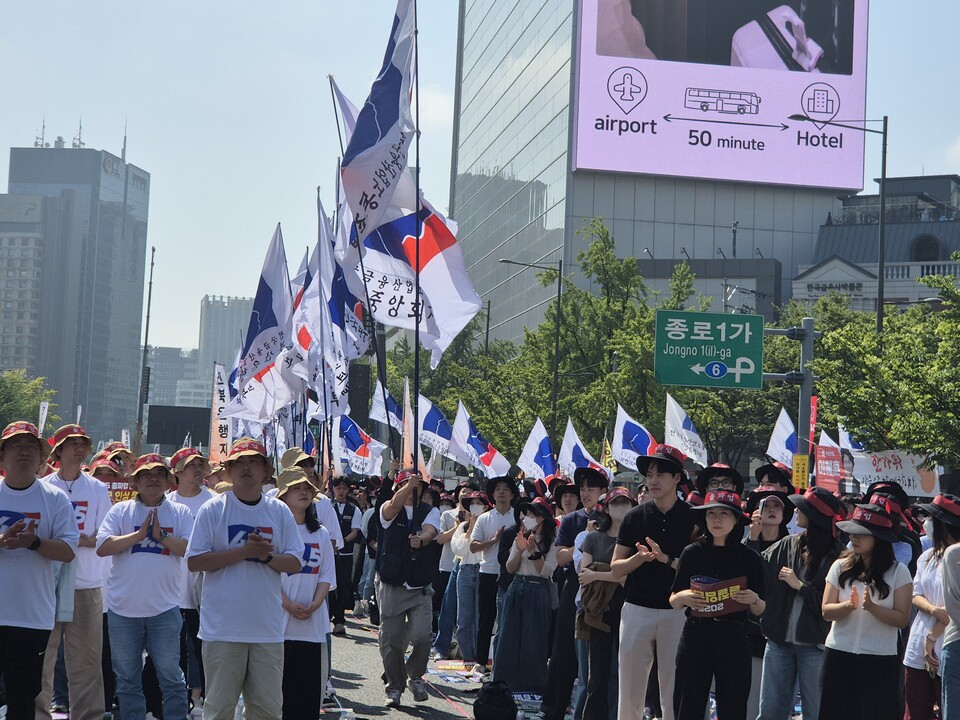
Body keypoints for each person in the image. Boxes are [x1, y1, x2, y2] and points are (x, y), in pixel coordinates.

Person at [186, 438, 304, 720]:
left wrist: (265, 558)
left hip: (267, 631)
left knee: (267, 711)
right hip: (222, 631)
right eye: (239, 462)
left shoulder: (278, 511)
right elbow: (194, 561)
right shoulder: (213, 509)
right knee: (219, 710)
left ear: (266, 471)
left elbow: (296, 562)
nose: (246, 467)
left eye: (253, 461)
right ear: (228, 471)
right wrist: (243, 552)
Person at [96, 453, 194, 720]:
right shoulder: (120, 511)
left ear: (168, 481)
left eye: (159, 474)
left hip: (164, 610)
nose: (153, 479)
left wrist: (160, 537)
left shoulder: (180, 512)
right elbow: (103, 547)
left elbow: (189, 549)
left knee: (171, 676)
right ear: (135, 481)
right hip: (123, 611)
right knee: (127, 679)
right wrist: (139, 536)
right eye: (146, 474)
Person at [0, 421, 78, 720]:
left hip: (31, 617)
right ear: (3, 455)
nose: (23, 452)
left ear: (41, 456)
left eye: (30, 446)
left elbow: (69, 551)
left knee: (23, 700)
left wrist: (34, 543)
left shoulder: (55, 498)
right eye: (15, 446)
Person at [611, 445, 695, 720]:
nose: (654, 480)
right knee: (631, 689)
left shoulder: (694, 517)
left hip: (679, 611)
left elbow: (699, 568)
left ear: (677, 478)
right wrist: (639, 558)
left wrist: (666, 559)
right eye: (649, 474)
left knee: (675, 689)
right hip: (636, 609)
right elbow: (615, 569)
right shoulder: (634, 516)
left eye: (661, 473)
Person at [669, 490, 766, 720]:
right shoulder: (691, 553)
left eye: (724, 514)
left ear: (736, 520)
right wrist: (683, 596)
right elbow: (673, 601)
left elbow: (761, 608)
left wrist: (753, 598)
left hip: (734, 636)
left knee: (733, 705)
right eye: (711, 513)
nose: (716, 519)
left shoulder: (749, 557)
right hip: (696, 634)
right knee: (687, 703)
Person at [37, 424, 111, 720]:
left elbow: (106, 536)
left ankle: (88, 715)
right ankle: (39, 712)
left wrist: (83, 540)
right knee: (44, 655)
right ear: (59, 451)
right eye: (72, 444)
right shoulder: (44, 486)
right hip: (48, 583)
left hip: (86, 583)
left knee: (87, 660)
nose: (79, 448)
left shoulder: (97, 488)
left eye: (84, 443)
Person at [757, 487, 847, 720]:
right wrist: (753, 536)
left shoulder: (839, 556)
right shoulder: (788, 543)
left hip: (815, 645)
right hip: (778, 643)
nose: (795, 510)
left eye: (802, 508)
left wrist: (801, 586)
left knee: (816, 711)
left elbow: (832, 606)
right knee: (770, 712)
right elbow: (756, 566)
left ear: (814, 517)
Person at [819, 502, 912, 720]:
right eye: (852, 532)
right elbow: (826, 610)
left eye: (862, 534)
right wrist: (848, 606)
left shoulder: (898, 571)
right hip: (838, 654)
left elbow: (901, 618)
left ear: (879, 538)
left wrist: (871, 607)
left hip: (879, 660)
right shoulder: (840, 566)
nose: (854, 538)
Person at [541, 466, 608, 720]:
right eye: (583, 488)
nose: (586, 493)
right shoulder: (572, 520)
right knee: (563, 651)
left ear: (604, 491)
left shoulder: (611, 517)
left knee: (600, 654)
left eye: (592, 488)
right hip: (573, 584)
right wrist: (583, 539)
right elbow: (559, 558)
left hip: (604, 586)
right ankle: (554, 709)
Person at [376, 467, 441, 708]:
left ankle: (415, 675)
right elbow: (392, 507)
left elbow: (431, 530)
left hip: (419, 586)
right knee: (391, 641)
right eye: (407, 486)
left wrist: (421, 539)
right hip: (392, 584)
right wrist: (406, 486)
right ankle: (394, 687)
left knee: (422, 636)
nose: (414, 492)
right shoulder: (387, 509)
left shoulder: (430, 510)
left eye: (417, 487)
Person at [275, 466, 335, 720]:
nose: (303, 492)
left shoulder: (320, 533)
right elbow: (266, 576)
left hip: (312, 623)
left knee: (308, 693)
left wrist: (316, 603)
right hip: (278, 623)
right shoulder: (276, 530)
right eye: (296, 488)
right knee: (279, 691)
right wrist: (287, 603)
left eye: (307, 488)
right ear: (283, 496)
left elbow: (326, 575)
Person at [492, 496, 558, 694]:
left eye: (534, 514)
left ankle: (533, 685)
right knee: (508, 636)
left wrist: (533, 551)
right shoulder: (519, 537)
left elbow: (546, 571)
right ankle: (504, 682)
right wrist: (520, 550)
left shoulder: (552, 541)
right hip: (517, 586)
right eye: (527, 513)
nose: (528, 517)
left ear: (543, 519)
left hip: (538, 589)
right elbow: (510, 568)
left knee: (534, 638)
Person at [167, 446, 216, 717]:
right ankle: (178, 700)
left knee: (201, 646)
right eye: (190, 466)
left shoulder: (214, 501)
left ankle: (203, 698)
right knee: (172, 650)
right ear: (177, 472)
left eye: (201, 465)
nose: (198, 470)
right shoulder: (165, 502)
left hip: (204, 589)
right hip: (170, 589)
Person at [579, 486, 635, 720]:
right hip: (598, 610)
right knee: (597, 675)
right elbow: (583, 574)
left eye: (625, 503)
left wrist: (598, 574)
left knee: (627, 673)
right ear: (607, 508)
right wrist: (611, 573)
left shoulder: (637, 541)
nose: (620, 507)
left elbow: (626, 578)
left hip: (629, 609)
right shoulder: (593, 538)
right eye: (615, 503)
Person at [904, 494, 960, 720]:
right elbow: (915, 595)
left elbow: (953, 607)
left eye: (930, 518)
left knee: (949, 707)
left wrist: (933, 634)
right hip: (919, 639)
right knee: (916, 710)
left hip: (948, 640)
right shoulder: (926, 556)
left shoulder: (956, 557)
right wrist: (933, 611)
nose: (925, 522)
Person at [469, 475, 519, 674]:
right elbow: (473, 547)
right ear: (492, 494)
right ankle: (481, 661)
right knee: (486, 618)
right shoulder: (485, 517)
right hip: (488, 572)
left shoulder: (519, 516)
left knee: (509, 619)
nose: (501, 492)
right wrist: (493, 540)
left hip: (511, 572)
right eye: (498, 488)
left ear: (513, 494)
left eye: (506, 488)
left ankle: (508, 662)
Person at [455, 490, 488, 667]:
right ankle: (467, 656)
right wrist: (470, 529)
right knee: (464, 617)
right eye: (472, 503)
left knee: (479, 617)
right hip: (466, 570)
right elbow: (459, 549)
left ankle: (478, 657)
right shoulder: (463, 526)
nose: (475, 506)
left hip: (483, 570)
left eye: (479, 503)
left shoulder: (488, 524)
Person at [330, 475, 361, 635]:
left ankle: (339, 620)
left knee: (343, 586)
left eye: (344, 488)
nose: (341, 491)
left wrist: (340, 543)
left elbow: (355, 532)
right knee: (327, 585)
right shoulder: (327, 506)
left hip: (345, 554)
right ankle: (326, 615)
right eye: (338, 488)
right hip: (328, 554)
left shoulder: (354, 509)